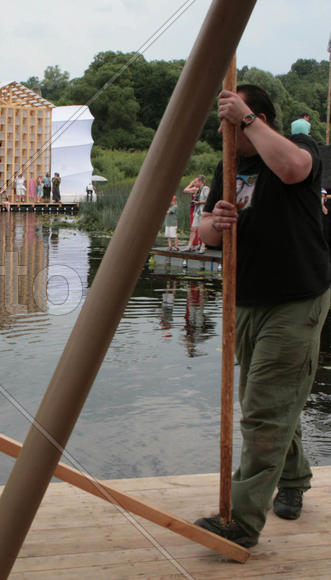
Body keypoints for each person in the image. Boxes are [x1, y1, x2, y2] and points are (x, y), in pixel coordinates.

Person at [195, 84, 330, 548]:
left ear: (259, 118)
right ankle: (292, 480)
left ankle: (241, 521)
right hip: (246, 300)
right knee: (266, 400)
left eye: (227, 121)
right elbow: (205, 232)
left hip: (296, 298)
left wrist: (247, 119)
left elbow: (294, 170)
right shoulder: (228, 167)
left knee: (265, 408)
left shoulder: (300, 149)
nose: (220, 131)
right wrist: (219, 221)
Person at [186, 175, 209, 252]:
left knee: (202, 230)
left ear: (201, 182)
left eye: (197, 181)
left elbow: (208, 200)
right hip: (197, 211)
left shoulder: (206, 189)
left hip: (202, 211)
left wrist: (199, 202)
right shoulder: (198, 190)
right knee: (193, 229)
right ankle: (189, 246)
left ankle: (203, 247)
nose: (196, 183)